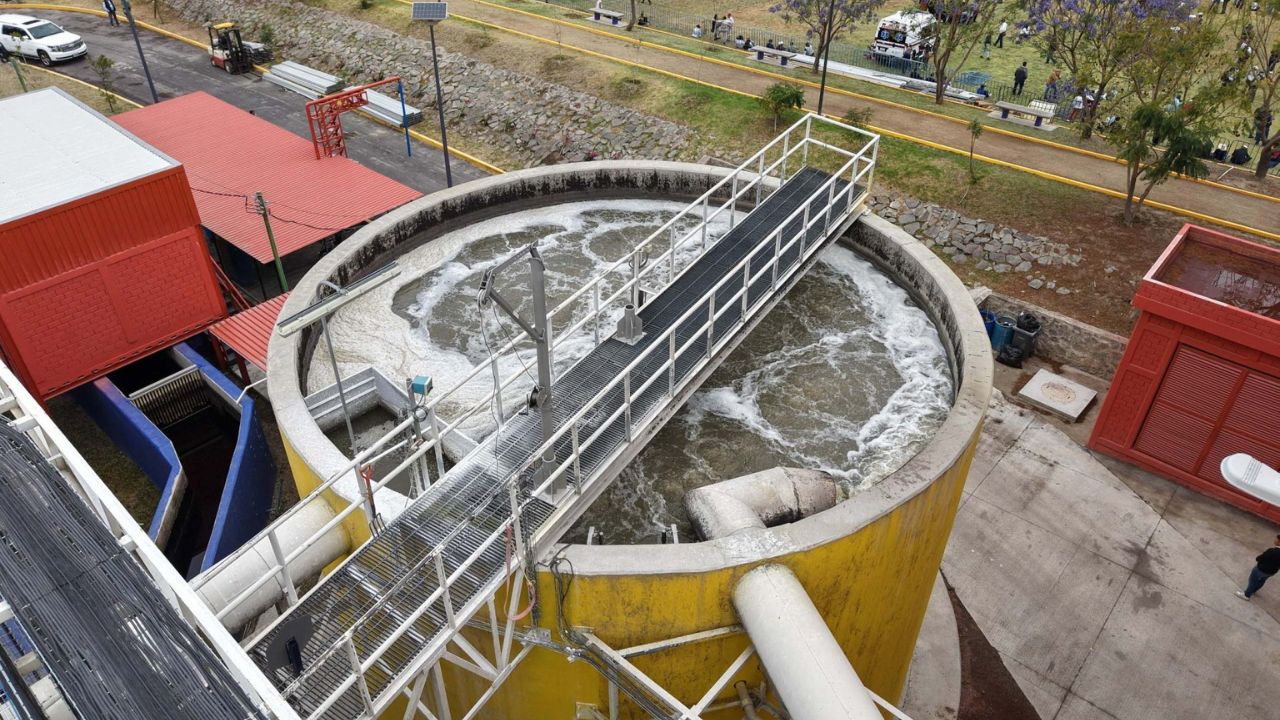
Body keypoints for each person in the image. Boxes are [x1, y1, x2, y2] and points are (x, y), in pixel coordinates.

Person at [1236, 535, 1280, 600]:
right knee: (1262, 581)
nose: (1274, 540)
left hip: (1261, 569)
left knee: (1252, 581)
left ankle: (1246, 595)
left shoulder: (1271, 551)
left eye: (1276, 539)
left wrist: (1258, 559)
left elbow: (1260, 558)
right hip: (1271, 572)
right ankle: (1254, 590)